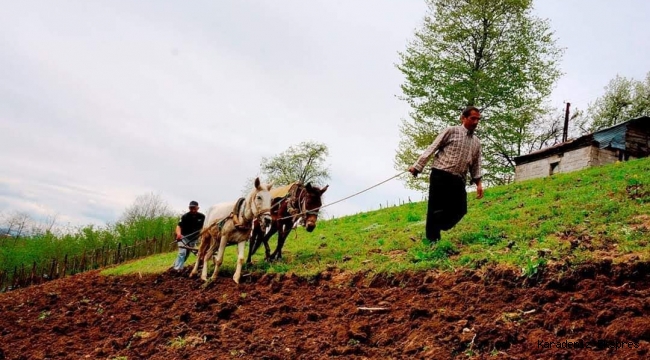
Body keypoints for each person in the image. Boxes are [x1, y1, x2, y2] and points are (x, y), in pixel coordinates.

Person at [408, 106, 484, 243]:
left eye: (478, 119)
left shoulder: (477, 142)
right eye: (473, 118)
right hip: (440, 175)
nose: (476, 122)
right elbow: (433, 147)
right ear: (463, 118)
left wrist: (479, 183)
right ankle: (432, 241)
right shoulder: (451, 131)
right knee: (435, 208)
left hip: (459, 179)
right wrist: (417, 167)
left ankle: (439, 223)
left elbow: (476, 164)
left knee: (461, 209)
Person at [171, 200, 205, 271]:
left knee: (186, 255)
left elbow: (205, 227)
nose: (192, 210)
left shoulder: (202, 217)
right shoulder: (185, 216)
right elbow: (178, 226)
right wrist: (179, 234)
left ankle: (174, 266)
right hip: (183, 237)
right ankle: (177, 269)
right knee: (182, 252)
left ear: (197, 208)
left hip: (193, 239)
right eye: (191, 208)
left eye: (194, 208)